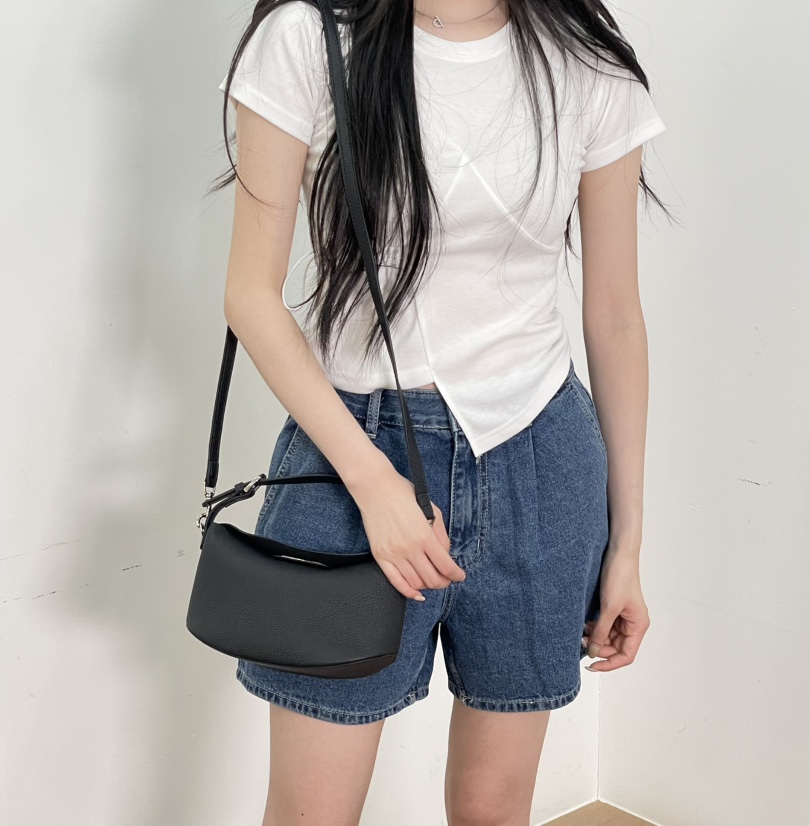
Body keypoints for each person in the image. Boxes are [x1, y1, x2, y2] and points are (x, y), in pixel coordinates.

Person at [211, 0, 670, 822]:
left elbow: (615, 317)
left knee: (494, 811)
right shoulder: (311, 39)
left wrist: (627, 544)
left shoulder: (583, 56)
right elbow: (250, 295)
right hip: (351, 456)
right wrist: (374, 485)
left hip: (539, 459)